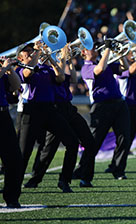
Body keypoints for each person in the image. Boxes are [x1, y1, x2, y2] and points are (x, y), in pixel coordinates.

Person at [24, 44, 96, 188]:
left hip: (68, 107)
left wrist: (68, 60)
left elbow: (73, 79)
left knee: (88, 142)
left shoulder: (57, 67)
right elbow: (60, 77)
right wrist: (58, 58)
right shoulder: (47, 69)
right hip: (55, 109)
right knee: (49, 149)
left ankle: (73, 178)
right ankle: (35, 179)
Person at [17, 42, 79, 193]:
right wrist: (38, 52)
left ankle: (64, 180)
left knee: (72, 142)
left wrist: (51, 59)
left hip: (50, 109)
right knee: (24, 151)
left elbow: (61, 78)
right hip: (32, 110)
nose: (30, 53)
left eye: (31, 50)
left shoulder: (47, 69)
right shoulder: (20, 69)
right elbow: (28, 74)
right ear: (20, 57)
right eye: (27, 52)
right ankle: (13, 184)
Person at [78, 39, 131, 180]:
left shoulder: (105, 62)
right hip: (101, 106)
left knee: (124, 138)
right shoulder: (86, 68)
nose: (96, 49)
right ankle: (83, 171)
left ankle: (118, 170)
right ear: (84, 52)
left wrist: (120, 54)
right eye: (92, 48)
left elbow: (125, 68)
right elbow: (99, 69)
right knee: (94, 142)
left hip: (119, 104)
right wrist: (107, 49)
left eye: (96, 47)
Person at [0, 57, 24, 208]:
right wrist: (4, 68)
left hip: (3, 115)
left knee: (14, 159)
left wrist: (10, 70)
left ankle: (12, 197)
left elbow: (16, 86)